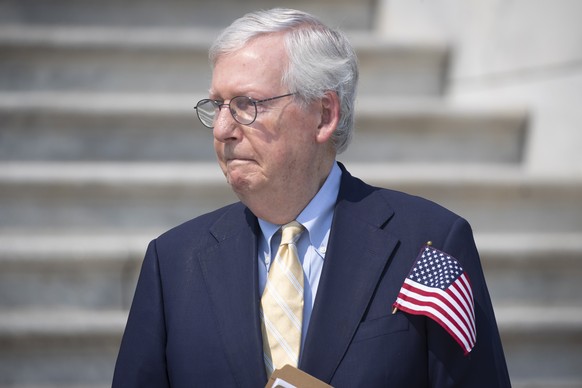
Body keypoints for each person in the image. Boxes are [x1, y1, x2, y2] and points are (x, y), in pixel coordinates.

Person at [113, 8, 511, 387]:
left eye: (246, 105)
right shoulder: (174, 261)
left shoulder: (430, 243)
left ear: (324, 114)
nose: (222, 129)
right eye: (217, 106)